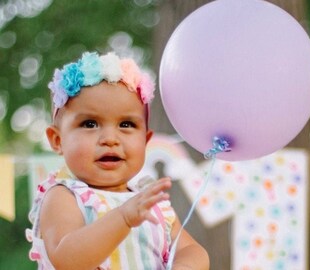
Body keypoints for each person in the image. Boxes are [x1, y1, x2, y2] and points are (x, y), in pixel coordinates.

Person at [26, 51, 209, 270]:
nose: (110, 139)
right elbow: (67, 259)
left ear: (145, 140)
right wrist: (122, 218)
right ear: (57, 140)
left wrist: (185, 266)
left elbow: (190, 249)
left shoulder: (149, 201)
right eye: (90, 124)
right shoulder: (64, 196)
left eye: (126, 125)